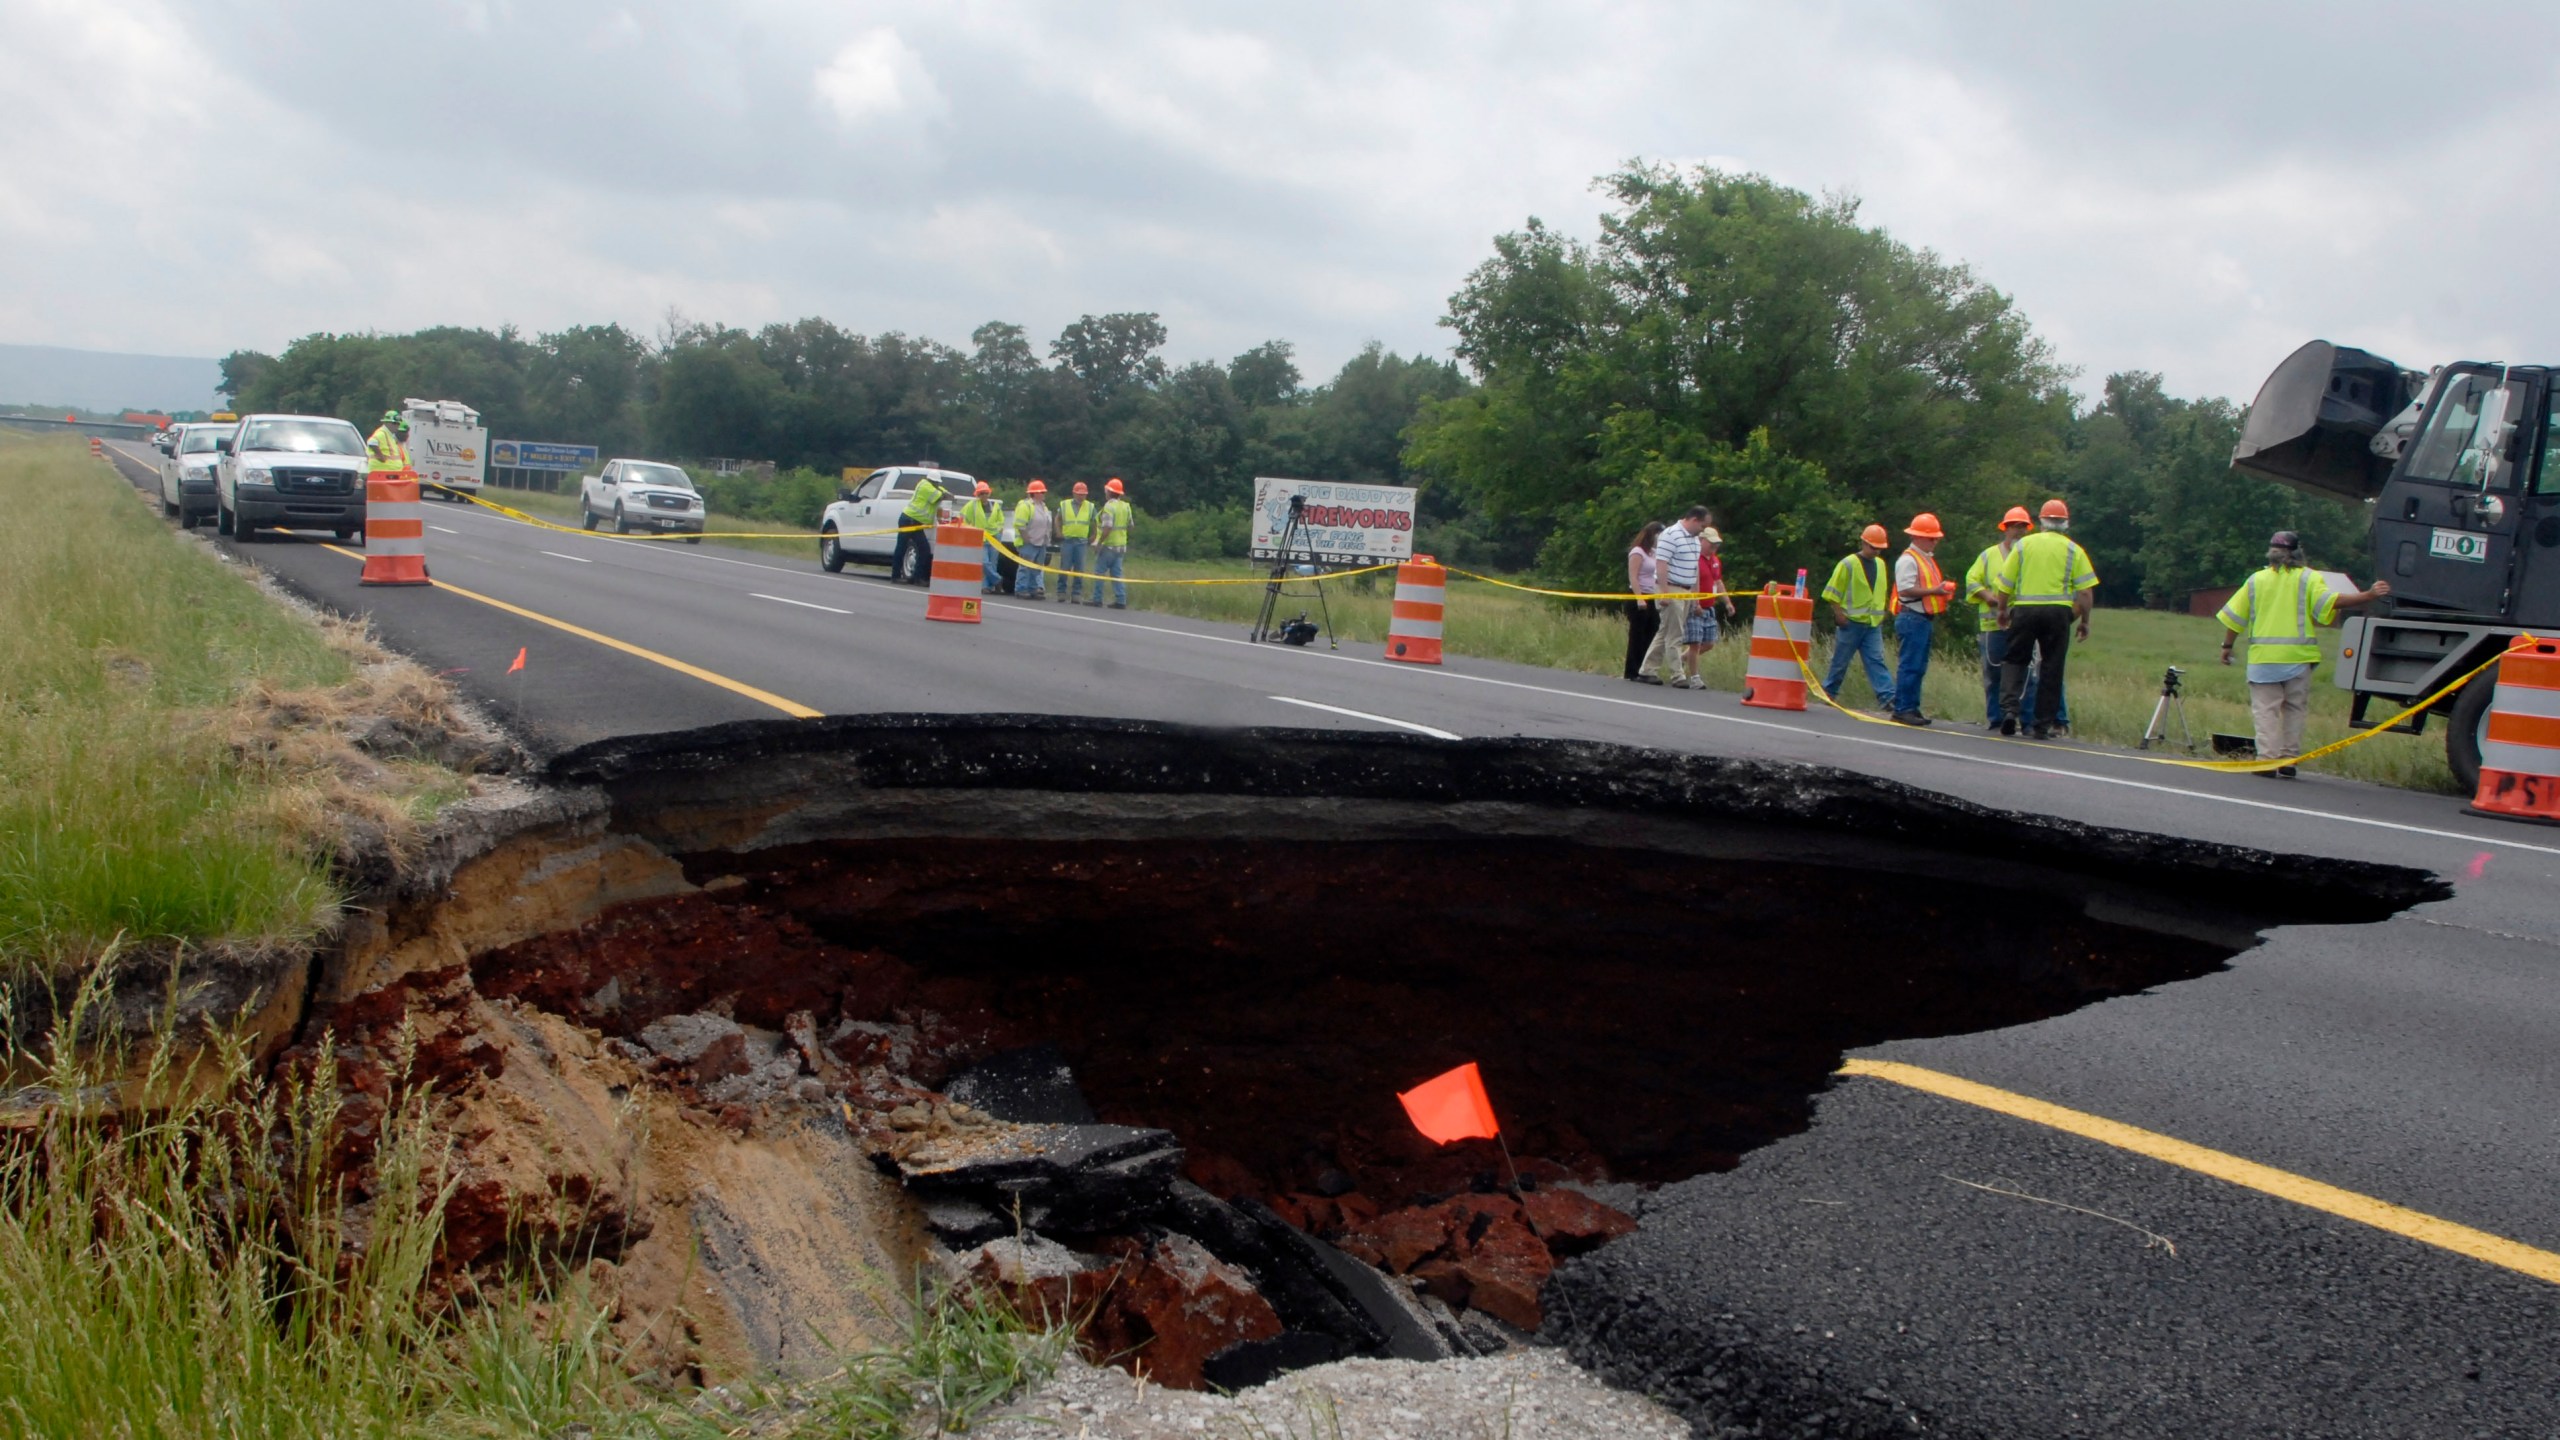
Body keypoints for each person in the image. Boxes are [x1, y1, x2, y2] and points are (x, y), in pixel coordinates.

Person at [2217, 530, 2389, 778]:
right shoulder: (2309, 578)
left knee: (2266, 710)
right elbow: (2330, 603)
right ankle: (2288, 759)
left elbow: (2234, 618)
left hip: (2263, 660)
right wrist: (2368, 595)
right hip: (2299, 659)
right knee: (2294, 709)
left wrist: (2226, 646)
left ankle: (2266, 760)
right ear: (2298, 553)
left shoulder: (2256, 580)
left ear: (2271, 552)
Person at [1995, 498, 2099, 738]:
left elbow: (2006, 583)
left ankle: (2010, 710)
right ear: (2065, 524)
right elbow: (2084, 592)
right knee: (2052, 666)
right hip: (2057, 614)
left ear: (2041, 522)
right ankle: (2041, 725)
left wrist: (2002, 610)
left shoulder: (2023, 546)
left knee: (2014, 659)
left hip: (2024, 610)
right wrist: (2085, 621)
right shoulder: (2074, 550)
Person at [1965, 507, 2056, 728]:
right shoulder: (1988, 555)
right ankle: (1997, 719)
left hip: (2023, 624)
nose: (2019, 531)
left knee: (2026, 674)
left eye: (2023, 527)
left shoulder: (2030, 555)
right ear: (2005, 529)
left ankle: (2025, 721)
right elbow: (1971, 580)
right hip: (1993, 624)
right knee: (1994, 672)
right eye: (2015, 527)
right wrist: (1990, 598)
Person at [1889, 513, 1958, 726]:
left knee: (1918, 665)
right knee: (1911, 665)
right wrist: (1935, 591)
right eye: (1931, 538)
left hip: (1921, 619)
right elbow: (1905, 590)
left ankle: (1911, 706)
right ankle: (1903, 709)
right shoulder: (1909, 560)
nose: (1935, 541)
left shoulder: (1924, 559)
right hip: (1912, 617)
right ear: (1918, 537)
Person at [1820, 524, 1897, 708]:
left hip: (1872, 623)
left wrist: (1883, 610)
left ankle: (1888, 698)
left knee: (1876, 660)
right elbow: (1831, 592)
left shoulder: (1880, 564)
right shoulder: (1848, 564)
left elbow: (1880, 591)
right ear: (1863, 543)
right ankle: (1828, 694)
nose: (1876, 551)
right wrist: (1839, 614)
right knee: (1840, 661)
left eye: (1879, 548)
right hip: (1851, 623)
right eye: (1873, 547)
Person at [1644, 507, 1708, 687]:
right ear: (1694, 519)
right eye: (1702, 525)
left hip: (1686, 589)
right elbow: (1661, 563)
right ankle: (1677, 675)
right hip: (1670, 587)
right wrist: (1664, 592)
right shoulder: (1670, 534)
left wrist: (1695, 597)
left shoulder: (1695, 540)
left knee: (1665, 630)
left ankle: (1647, 669)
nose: (1702, 530)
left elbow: (1694, 569)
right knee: (1675, 633)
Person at [1685, 525, 1734, 679]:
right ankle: (1694, 676)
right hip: (1695, 606)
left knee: (1709, 643)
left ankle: (1681, 659)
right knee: (1695, 643)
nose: (1714, 547)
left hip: (1709, 606)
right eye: (1711, 543)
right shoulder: (1694, 559)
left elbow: (1718, 582)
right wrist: (1696, 603)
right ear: (1701, 540)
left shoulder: (1715, 560)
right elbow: (1692, 583)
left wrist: (1727, 602)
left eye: (1716, 544)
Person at [1624, 520, 1664, 684]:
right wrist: (1639, 597)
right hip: (1639, 596)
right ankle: (1632, 670)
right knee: (1638, 635)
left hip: (1653, 595)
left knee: (1652, 631)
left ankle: (1645, 668)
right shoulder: (1637, 552)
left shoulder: (1654, 553)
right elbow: (1633, 576)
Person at [893, 471, 947, 584]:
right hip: (909, 520)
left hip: (914, 521)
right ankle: (897, 576)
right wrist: (943, 493)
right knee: (903, 548)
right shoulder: (926, 487)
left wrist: (943, 491)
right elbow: (940, 496)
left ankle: (917, 577)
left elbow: (945, 492)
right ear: (932, 481)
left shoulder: (928, 485)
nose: (937, 485)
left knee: (923, 549)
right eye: (936, 483)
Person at [1089, 477, 1133, 608]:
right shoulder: (1125, 506)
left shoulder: (1109, 507)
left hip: (1109, 546)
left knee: (1099, 573)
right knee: (1116, 574)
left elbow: (1107, 528)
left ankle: (1097, 599)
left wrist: (1099, 543)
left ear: (1108, 491)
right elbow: (1130, 526)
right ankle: (1121, 600)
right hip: (1121, 546)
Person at [958, 481, 1006, 594]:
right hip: (980, 537)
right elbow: (963, 517)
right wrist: (970, 530)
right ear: (977, 495)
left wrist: (999, 530)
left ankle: (988, 587)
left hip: (994, 537)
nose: (984, 495)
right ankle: (997, 580)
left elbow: (1001, 520)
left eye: (986, 493)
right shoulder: (972, 505)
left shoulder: (995, 505)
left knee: (993, 563)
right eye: (981, 493)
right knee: (984, 562)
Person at [1012, 480, 1055, 597]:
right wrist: (1027, 539)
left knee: (1036, 567)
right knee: (1025, 567)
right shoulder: (1025, 506)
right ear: (1035, 493)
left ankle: (1032, 588)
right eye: (1042, 492)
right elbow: (1020, 525)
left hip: (1041, 542)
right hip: (1030, 542)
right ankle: (1021, 589)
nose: (1043, 494)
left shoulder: (1043, 507)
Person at [1055, 482, 1095, 603]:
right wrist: (1058, 532)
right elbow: (1057, 518)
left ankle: (1076, 594)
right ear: (1074, 493)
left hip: (1082, 541)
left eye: (1083, 494)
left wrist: (1094, 535)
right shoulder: (1065, 504)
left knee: (1080, 568)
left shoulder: (1090, 506)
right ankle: (1061, 592)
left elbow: (1095, 522)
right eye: (1079, 494)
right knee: (1064, 567)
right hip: (1067, 540)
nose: (1081, 497)